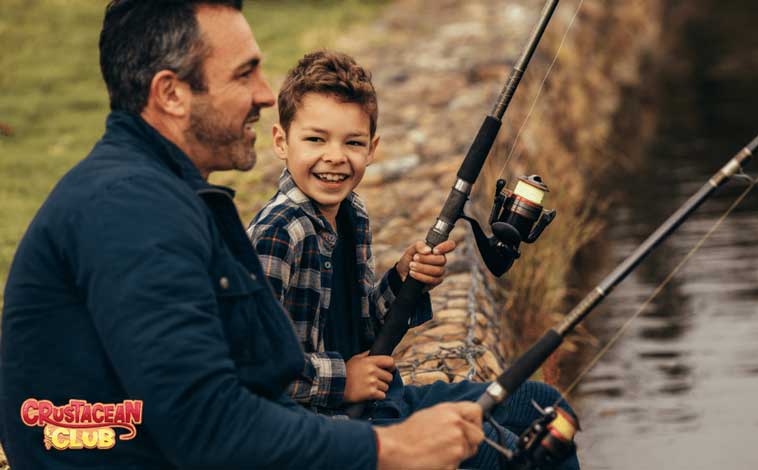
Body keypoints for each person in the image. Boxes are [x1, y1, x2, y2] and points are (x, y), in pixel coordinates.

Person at [0, 2, 482, 469]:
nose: (265, 94)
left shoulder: (168, 194)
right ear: (171, 94)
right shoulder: (131, 212)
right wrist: (390, 450)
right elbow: (208, 423)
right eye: (244, 73)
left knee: (529, 407)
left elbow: (248, 376)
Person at [247, 50, 580, 469]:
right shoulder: (278, 234)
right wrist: (342, 380)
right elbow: (254, 368)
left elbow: (366, 329)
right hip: (330, 430)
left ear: (372, 148)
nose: (334, 156)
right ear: (281, 141)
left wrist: (404, 280)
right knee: (487, 445)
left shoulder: (353, 214)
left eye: (352, 142)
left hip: (384, 402)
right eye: (315, 139)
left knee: (544, 408)